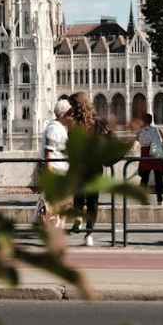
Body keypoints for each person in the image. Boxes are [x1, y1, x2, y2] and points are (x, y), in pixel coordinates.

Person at [68, 92, 112, 246]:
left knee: (79, 196)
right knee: (93, 202)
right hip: (94, 166)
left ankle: (78, 218)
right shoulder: (99, 122)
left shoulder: (73, 123)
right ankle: (89, 234)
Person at [41, 99, 72, 228]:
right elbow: (49, 153)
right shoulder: (53, 129)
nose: (72, 116)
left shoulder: (59, 128)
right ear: (64, 114)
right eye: (70, 113)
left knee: (65, 203)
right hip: (56, 171)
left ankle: (59, 228)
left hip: (62, 171)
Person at [136, 112, 163, 206]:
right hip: (156, 154)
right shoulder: (157, 130)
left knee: (144, 179)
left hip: (145, 154)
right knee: (158, 178)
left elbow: (137, 140)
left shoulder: (140, 131)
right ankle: (160, 200)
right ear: (151, 120)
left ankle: (142, 200)